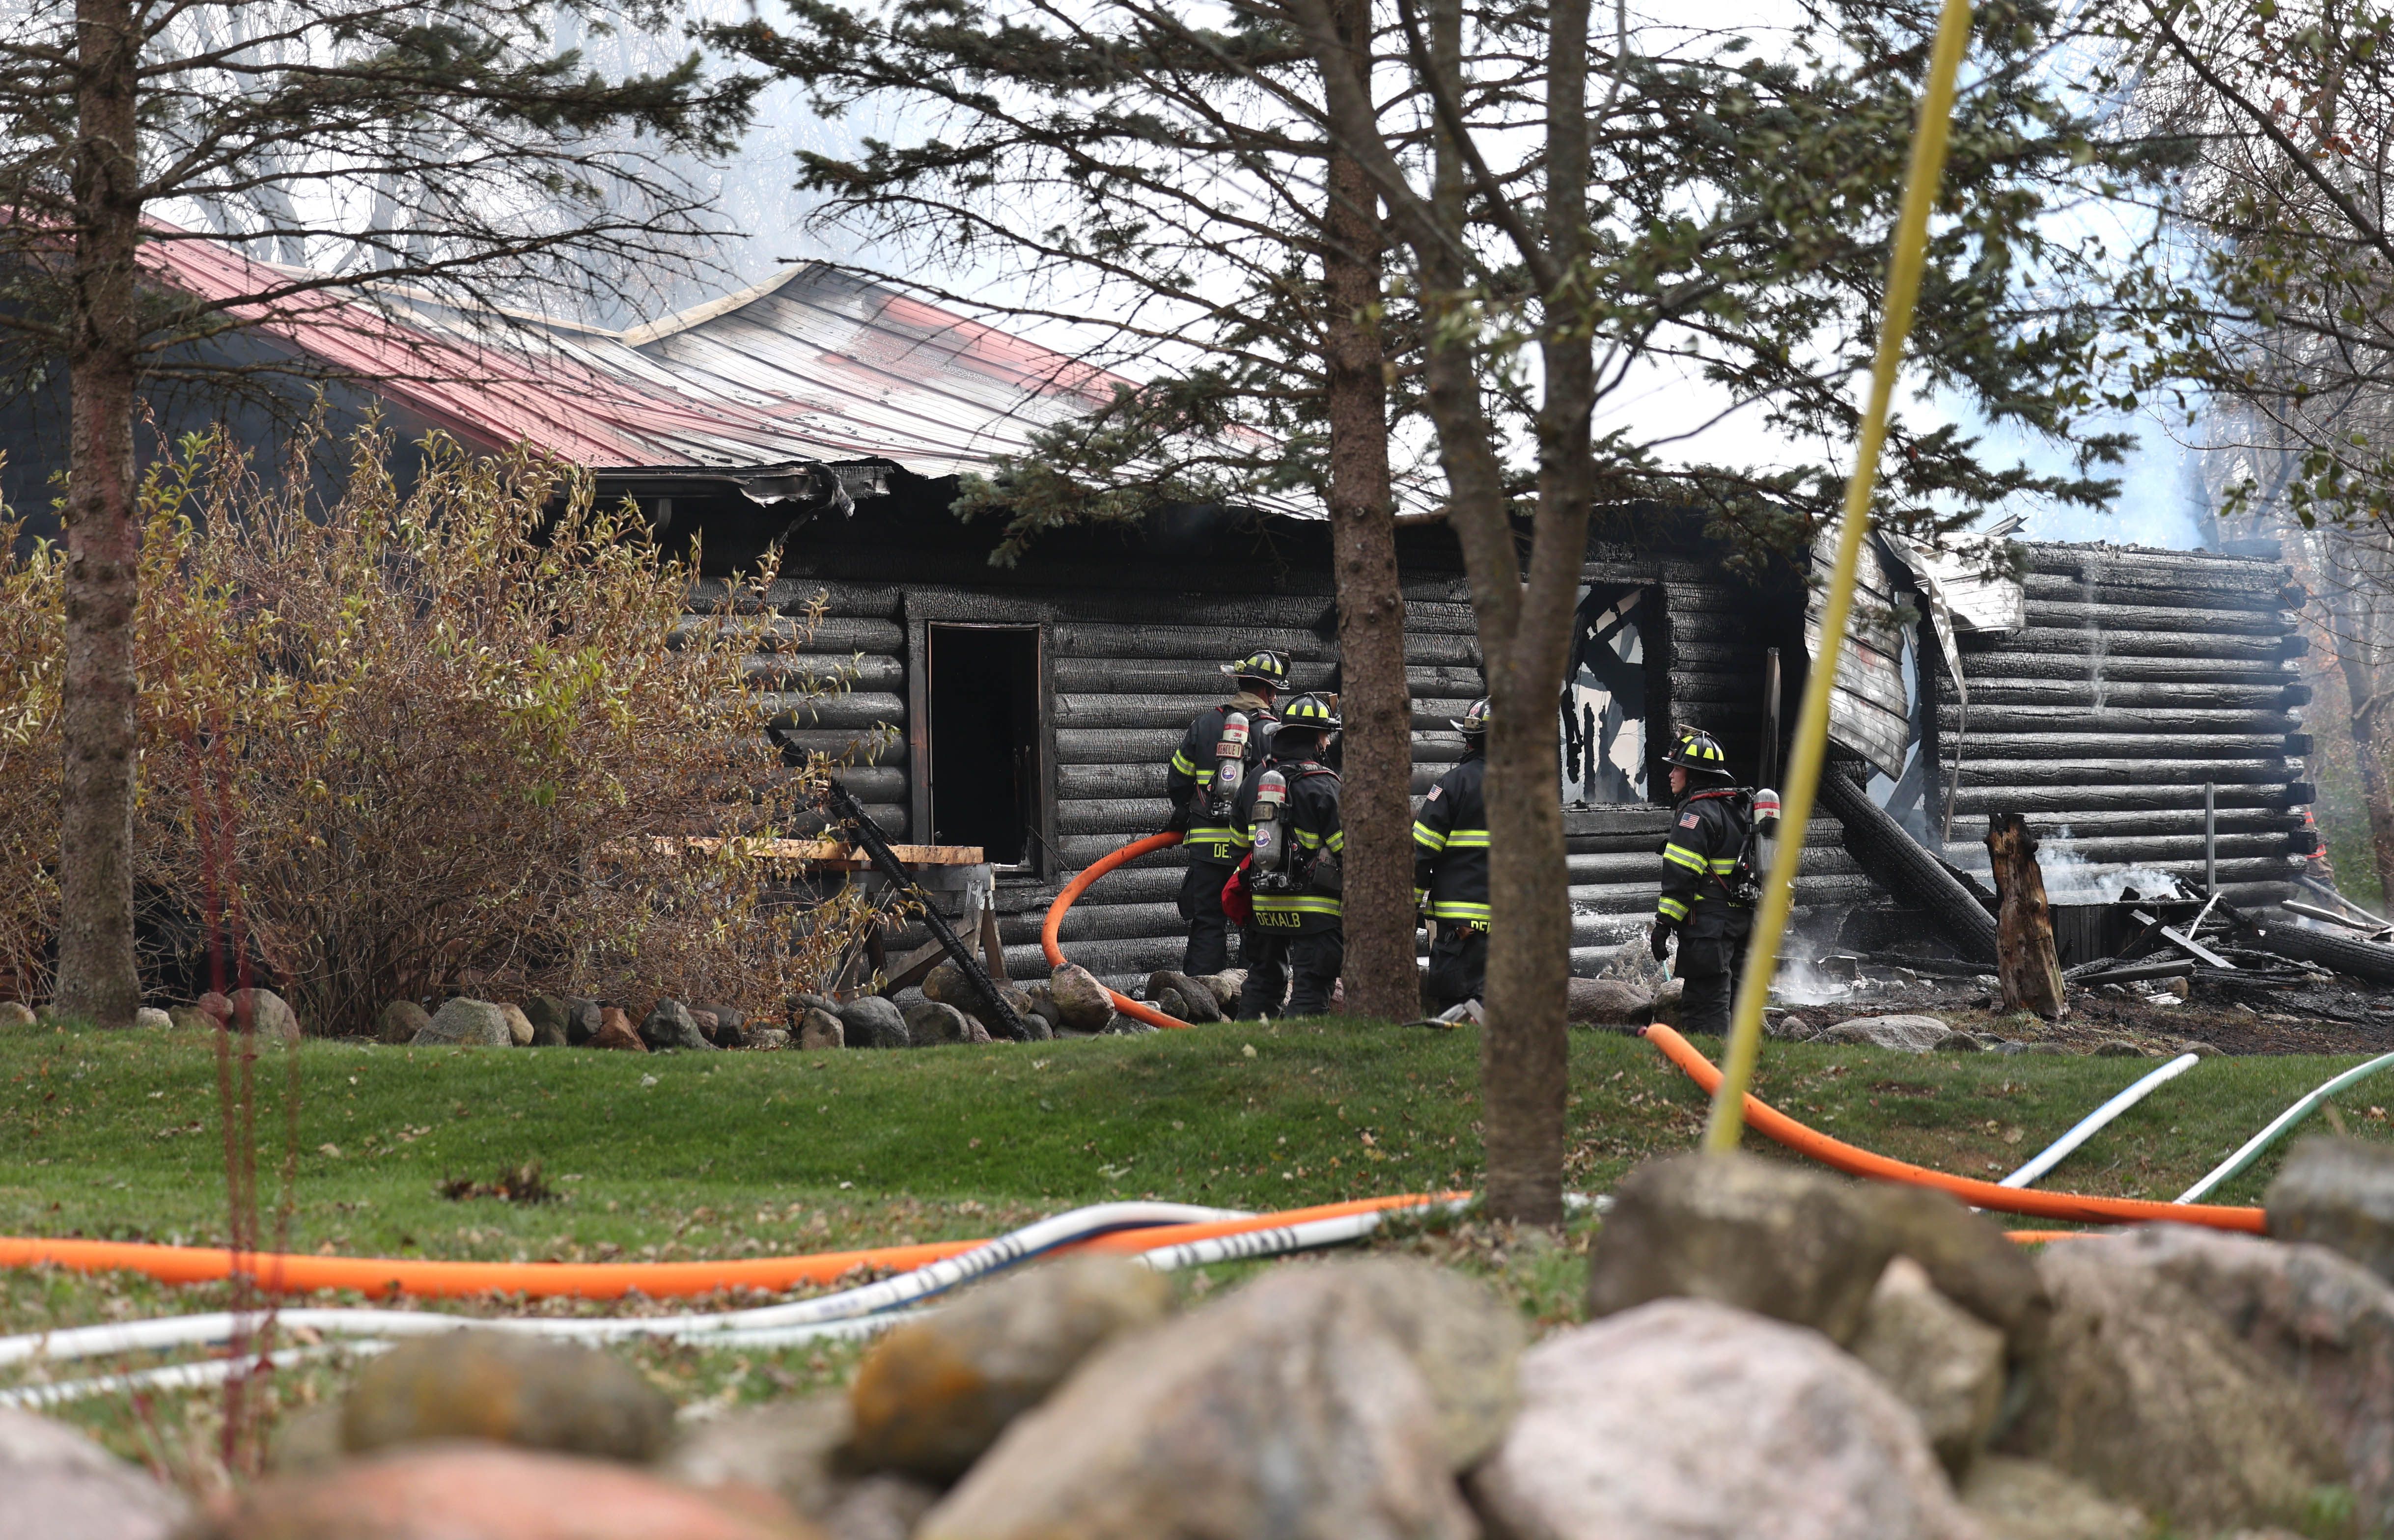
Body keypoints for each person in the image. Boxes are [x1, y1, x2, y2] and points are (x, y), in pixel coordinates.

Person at [1164, 648, 1287, 974]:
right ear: (1268, 691)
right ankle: (1251, 999)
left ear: (1240, 682)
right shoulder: (1275, 734)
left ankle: (1205, 1000)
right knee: (1256, 924)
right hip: (1252, 849)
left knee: (1207, 923)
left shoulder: (1205, 724)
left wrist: (1187, 809)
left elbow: (1177, 779)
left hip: (1206, 847)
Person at [1231, 693, 1343, 1018]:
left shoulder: (1254, 781)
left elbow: (1239, 843)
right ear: (1316, 738)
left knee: (1263, 983)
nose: (1327, 743)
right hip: (1316, 912)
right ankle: (1298, 1061)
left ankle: (1245, 1054)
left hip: (1265, 907)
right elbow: (1350, 851)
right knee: (1311, 987)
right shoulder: (1325, 786)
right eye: (1326, 735)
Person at [1649, 727, 1758, 1037]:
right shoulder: (1740, 808)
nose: (1671, 774)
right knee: (1738, 1004)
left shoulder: (1695, 816)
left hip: (1709, 930)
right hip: (1745, 923)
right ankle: (1745, 1075)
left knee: (1705, 1008)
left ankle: (1709, 1074)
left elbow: (1682, 877)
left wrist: (1663, 925)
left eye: (1678, 768)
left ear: (1694, 775)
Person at [1413, 696, 1490, 1010]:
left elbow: (1421, 852)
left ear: (1471, 741)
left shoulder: (1453, 785)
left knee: (1455, 1009)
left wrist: (1410, 906)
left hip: (1459, 928)